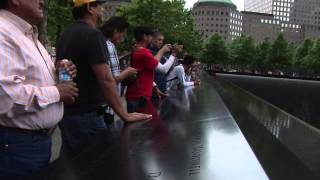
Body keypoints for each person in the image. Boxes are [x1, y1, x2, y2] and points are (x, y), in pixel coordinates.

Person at [56, 0, 151, 155]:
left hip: (67, 115)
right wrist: (124, 114)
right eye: (99, 5)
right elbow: (105, 79)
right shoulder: (93, 35)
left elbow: (61, 71)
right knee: (96, 167)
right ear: (89, 8)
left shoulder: (65, 34)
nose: (103, 9)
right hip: (88, 117)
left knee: (72, 164)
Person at [0, 0, 78, 179]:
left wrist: (57, 71)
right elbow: (5, 99)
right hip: (16, 146)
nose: (43, 1)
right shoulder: (3, 32)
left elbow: (31, 80)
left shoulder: (26, 34)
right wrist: (58, 92)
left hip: (33, 143)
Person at [125, 26, 174, 113]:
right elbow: (163, 69)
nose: (152, 38)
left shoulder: (137, 51)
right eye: (151, 36)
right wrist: (172, 54)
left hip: (137, 96)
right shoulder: (144, 52)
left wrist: (155, 88)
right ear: (145, 37)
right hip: (139, 97)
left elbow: (149, 66)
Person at [100, 16, 138, 126]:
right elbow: (113, 79)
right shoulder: (109, 46)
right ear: (116, 31)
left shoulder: (101, 43)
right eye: (123, 33)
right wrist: (127, 72)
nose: (123, 37)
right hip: (108, 107)